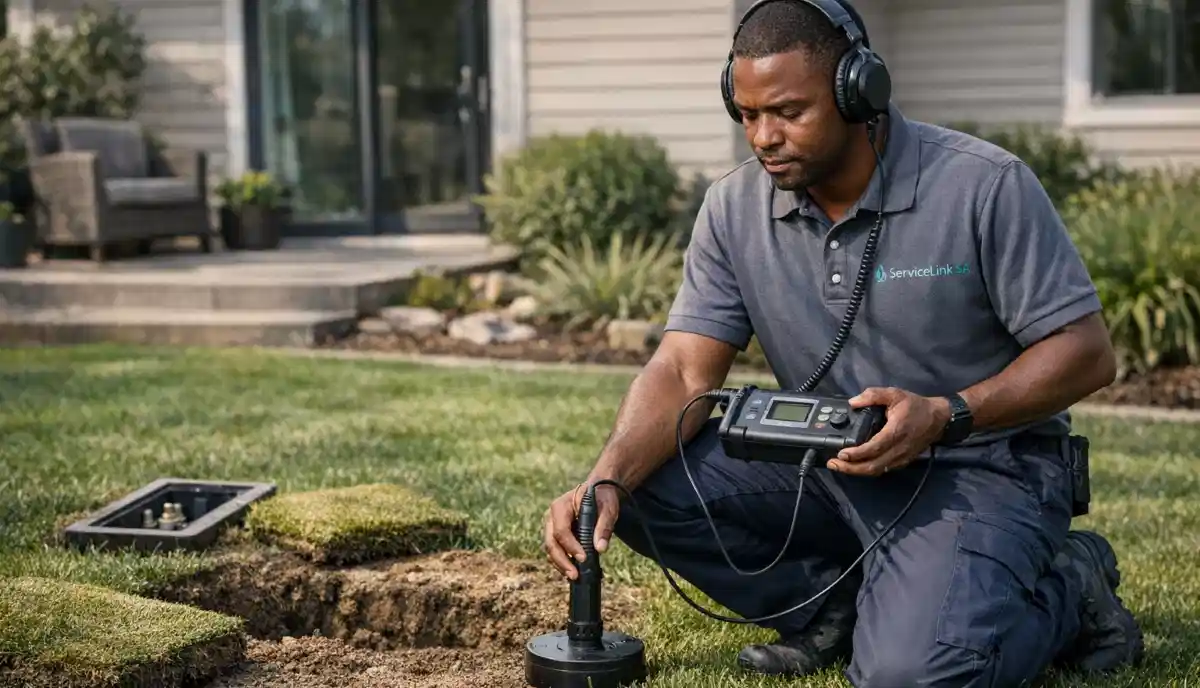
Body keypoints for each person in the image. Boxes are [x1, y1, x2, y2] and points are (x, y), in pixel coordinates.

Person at [540, 0, 1145, 685]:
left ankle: (1072, 582)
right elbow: (683, 370)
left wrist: (947, 413)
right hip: (829, 466)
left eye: (788, 112)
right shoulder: (733, 208)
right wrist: (603, 479)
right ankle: (833, 605)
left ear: (859, 90)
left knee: (908, 678)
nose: (763, 136)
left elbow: (1087, 351)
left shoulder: (982, 185)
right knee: (642, 478)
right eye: (747, 115)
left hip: (984, 467)